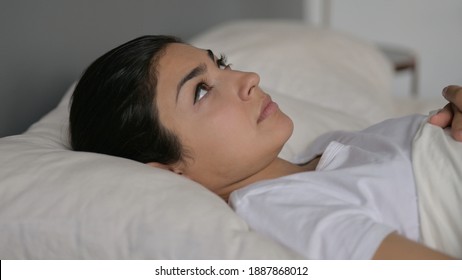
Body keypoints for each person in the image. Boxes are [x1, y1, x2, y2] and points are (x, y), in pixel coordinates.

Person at [69, 35, 462, 259]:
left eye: (220, 63)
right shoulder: (278, 206)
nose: (248, 78)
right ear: (166, 168)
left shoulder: (324, 150)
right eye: (201, 90)